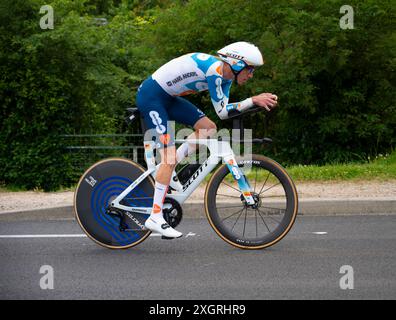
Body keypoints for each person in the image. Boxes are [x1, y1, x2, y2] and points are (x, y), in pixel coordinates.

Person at [136, 41, 278, 238]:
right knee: (167, 158)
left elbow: (223, 112)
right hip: (152, 97)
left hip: (168, 98)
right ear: (237, 64)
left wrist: (251, 102)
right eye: (250, 69)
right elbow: (223, 112)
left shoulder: (225, 77)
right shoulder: (215, 72)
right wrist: (252, 100)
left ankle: (168, 167)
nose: (251, 75)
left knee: (208, 128)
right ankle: (155, 216)